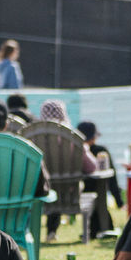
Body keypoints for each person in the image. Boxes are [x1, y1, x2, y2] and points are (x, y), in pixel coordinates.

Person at [39, 99, 99, 243]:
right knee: (65, 188)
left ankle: (50, 231)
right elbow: (91, 167)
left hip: (41, 193)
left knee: (52, 187)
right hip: (70, 194)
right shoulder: (73, 138)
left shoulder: (34, 136)